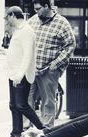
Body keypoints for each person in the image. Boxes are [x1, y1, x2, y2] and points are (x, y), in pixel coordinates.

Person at [0, 6, 46, 137]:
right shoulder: (19, 30)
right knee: (14, 105)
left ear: (13, 15)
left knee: (21, 104)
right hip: (14, 73)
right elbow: (17, 52)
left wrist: (20, 74)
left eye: (8, 18)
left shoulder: (26, 31)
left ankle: (43, 129)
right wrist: (3, 51)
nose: (7, 21)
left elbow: (27, 55)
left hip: (21, 74)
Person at [27, 0, 76, 128]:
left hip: (49, 69)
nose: (36, 12)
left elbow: (70, 45)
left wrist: (56, 63)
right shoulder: (32, 21)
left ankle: (46, 129)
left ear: (47, 6)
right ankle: (26, 126)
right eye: (35, 9)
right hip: (31, 69)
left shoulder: (62, 23)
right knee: (27, 99)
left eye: (38, 9)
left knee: (48, 101)